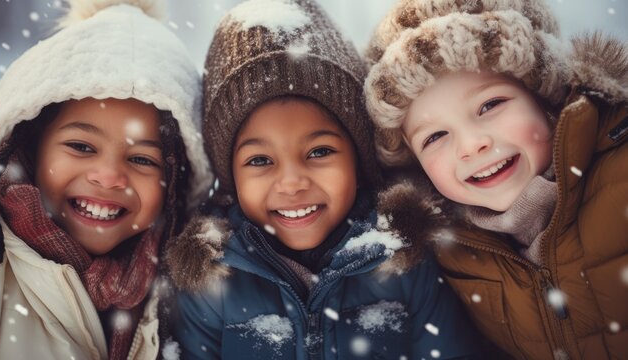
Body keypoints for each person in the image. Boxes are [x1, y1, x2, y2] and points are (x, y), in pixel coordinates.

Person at [166, 1, 482, 359]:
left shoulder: (405, 262)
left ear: (358, 158)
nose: (292, 181)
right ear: (230, 179)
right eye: (260, 160)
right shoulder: (211, 284)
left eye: (319, 152)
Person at [364, 0, 628, 358]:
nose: (472, 145)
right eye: (435, 137)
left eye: (490, 105)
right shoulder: (454, 251)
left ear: (544, 99)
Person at [0, 1, 213, 359]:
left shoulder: (187, 290)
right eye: (81, 146)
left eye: (142, 159)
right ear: (31, 146)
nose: (108, 177)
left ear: (175, 183)